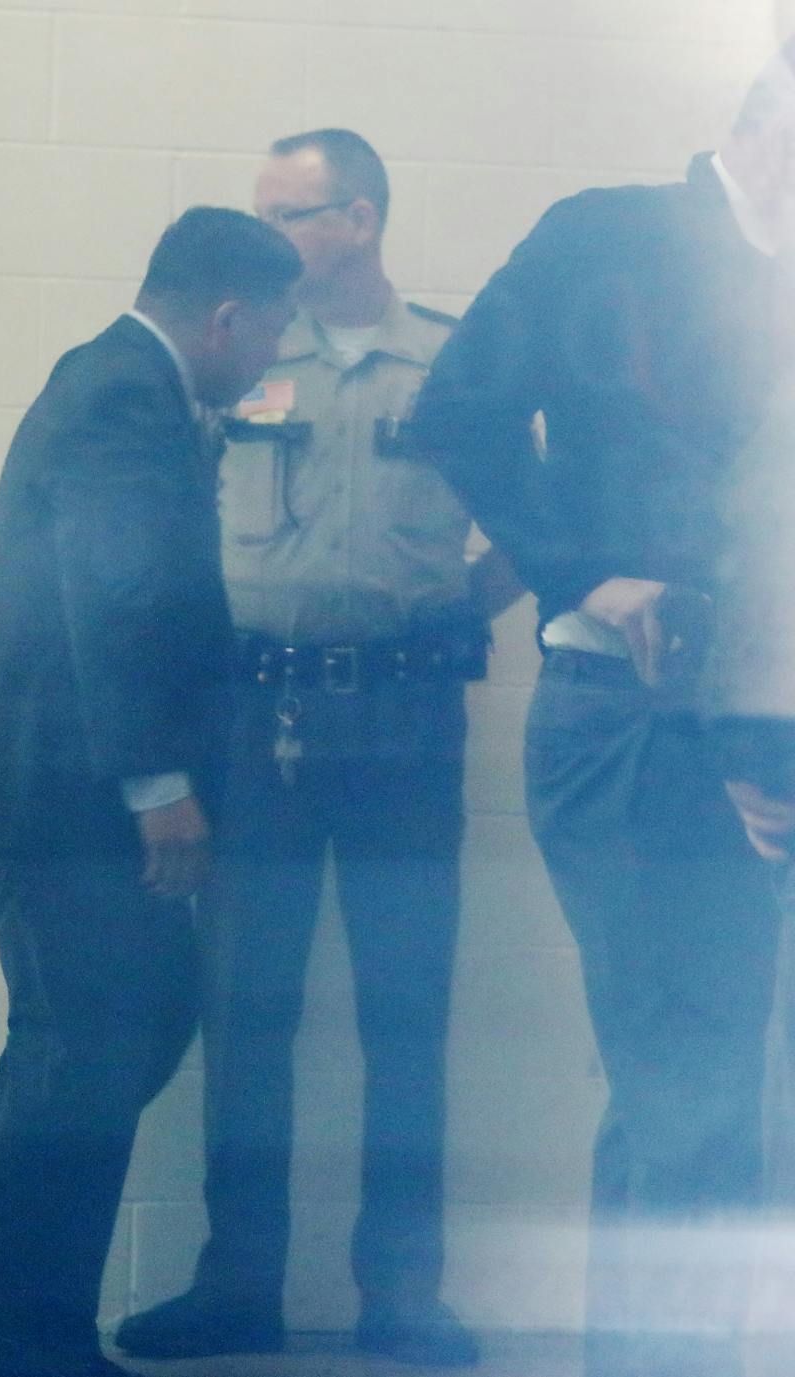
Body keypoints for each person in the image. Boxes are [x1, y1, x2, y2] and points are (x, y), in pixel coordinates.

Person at [407, 47, 795, 1377]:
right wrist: (583, 569)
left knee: (717, 1089)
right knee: (687, 1092)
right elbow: (455, 415)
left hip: (764, 725)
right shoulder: (610, 237)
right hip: (627, 728)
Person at [0, 207, 302, 1377]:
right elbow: (114, 596)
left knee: (120, 1029)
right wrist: (158, 786)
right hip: (67, 793)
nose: (273, 356)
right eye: (271, 330)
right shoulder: (122, 395)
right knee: (83, 1051)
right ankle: (28, 1339)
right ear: (227, 316)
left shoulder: (131, 388)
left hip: (62, 788)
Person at [116, 129, 515, 1371]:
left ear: (358, 220)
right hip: (254, 721)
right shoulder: (235, 358)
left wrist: (454, 608)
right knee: (247, 1016)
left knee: (406, 1018)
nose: (267, 235)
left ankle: (402, 1297)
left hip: (404, 720)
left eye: (289, 214)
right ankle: (237, 1286)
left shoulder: (450, 365)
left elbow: (531, 523)